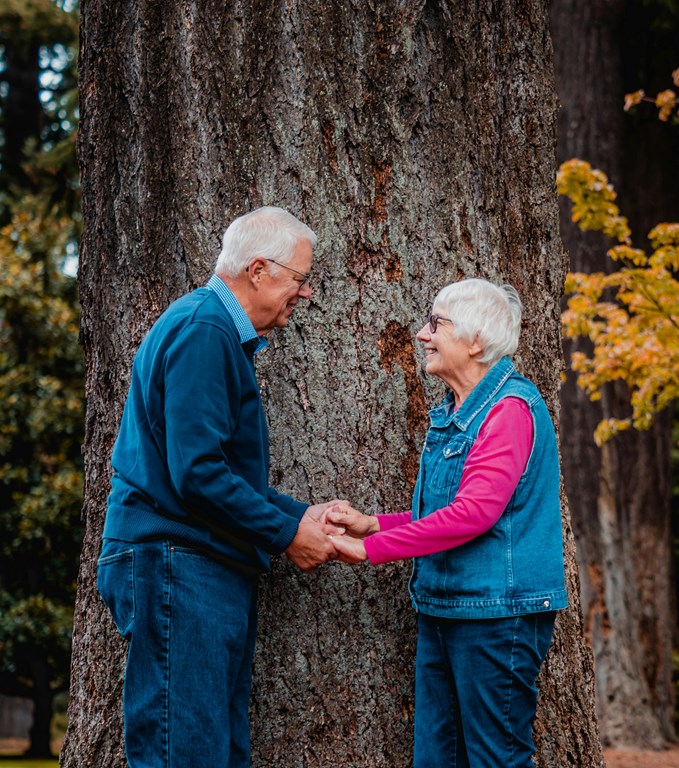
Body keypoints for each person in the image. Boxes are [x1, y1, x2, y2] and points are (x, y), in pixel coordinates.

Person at [96, 206, 345, 768]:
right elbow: (198, 477)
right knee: (186, 755)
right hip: (177, 566)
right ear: (259, 270)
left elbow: (215, 473)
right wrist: (286, 534)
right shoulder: (205, 330)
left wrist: (307, 517)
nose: (304, 295)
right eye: (300, 280)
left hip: (197, 565)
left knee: (217, 752)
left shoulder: (215, 333)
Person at [331, 277, 568, 768]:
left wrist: (372, 551)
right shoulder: (456, 411)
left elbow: (475, 514)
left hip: (496, 618)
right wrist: (376, 526)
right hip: (448, 610)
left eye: (436, 323)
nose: (423, 334)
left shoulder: (507, 411)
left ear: (476, 341)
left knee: (494, 760)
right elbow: (447, 512)